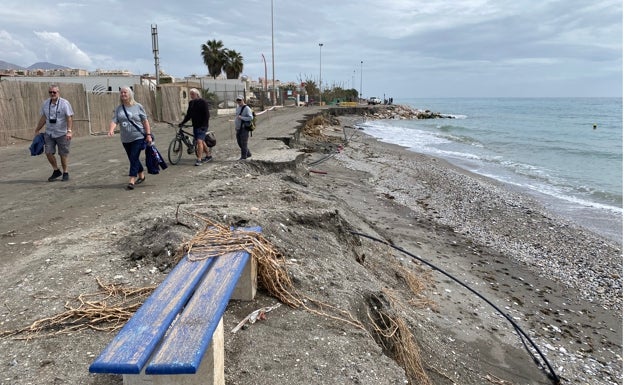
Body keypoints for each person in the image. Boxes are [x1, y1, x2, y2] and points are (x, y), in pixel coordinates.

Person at [107, 86, 153, 190]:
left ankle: (131, 180)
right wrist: (111, 129)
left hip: (138, 136)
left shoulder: (138, 106)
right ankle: (141, 175)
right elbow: (115, 120)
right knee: (133, 158)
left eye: (125, 92)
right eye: (121, 93)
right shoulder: (119, 108)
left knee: (133, 157)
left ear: (130, 94)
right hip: (125, 138)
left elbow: (145, 121)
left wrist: (148, 134)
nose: (123, 94)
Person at [34, 84, 74, 181]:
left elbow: (69, 117)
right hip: (49, 133)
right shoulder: (45, 104)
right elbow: (43, 117)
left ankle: (65, 172)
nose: (52, 94)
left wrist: (69, 131)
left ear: (58, 93)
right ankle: (56, 170)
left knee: (63, 154)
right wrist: (37, 129)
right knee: (48, 152)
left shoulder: (64, 103)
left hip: (62, 133)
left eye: (54, 92)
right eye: (50, 92)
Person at [179, 88, 212, 166]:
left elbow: (207, 115)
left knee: (199, 142)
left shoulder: (203, 102)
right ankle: (208, 155)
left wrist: (204, 125)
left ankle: (199, 159)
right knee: (201, 141)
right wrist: (182, 122)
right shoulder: (191, 103)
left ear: (197, 94)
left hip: (202, 126)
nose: (191, 96)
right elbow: (188, 115)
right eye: (190, 94)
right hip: (195, 125)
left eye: (192, 94)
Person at [234, 95, 253, 160]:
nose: (239, 101)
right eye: (238, 100)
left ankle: (243, 156)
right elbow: (236, 117)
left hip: (244, 128)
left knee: (243, 142)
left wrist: (242, 118)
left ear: (243, 100)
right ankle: (248, 153)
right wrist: (236, 126)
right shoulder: (238, 107)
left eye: (240, 100)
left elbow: (250, 118)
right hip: (238, 128)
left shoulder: (247, 108)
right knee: (239, 142)